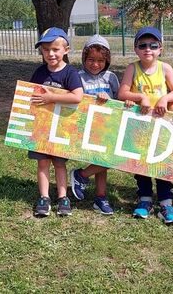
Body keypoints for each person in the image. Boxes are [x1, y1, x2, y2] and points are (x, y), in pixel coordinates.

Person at [118, 26, 173, 225]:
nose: (148, 49)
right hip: (140, 124)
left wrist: (164, 99)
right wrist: (140, 97)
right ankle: (144, 199)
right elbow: (122, 93)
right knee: (142, 163)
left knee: (162, 163)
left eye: (153, 45)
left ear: (160, 48)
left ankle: (166, 203)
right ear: (136, 49)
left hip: (162, 125)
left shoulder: (165, 68)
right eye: (143, 45)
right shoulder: (132, 68)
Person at [29, 27, 83, 217]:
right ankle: (44, 197)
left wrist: (52, 98)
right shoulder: (39, 72)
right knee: (42, 163)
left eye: (55, 49)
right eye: (45, 50)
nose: (50, 54)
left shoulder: (70, 73)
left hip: (62, 128)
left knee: (60, 164)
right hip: (42, 128)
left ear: (66, 50)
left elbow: (78, 97)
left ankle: (63, 197)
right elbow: (32, 95)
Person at [69, 35, 120, 215]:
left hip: (108, 126)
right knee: (104, 160)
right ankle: (99, 195)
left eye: (100, 60)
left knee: (108, 159)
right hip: (88, 126)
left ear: (107, 60)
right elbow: (75, 99)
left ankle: (85, 180)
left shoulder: (111, 77)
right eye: (91, 59)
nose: (95, 64)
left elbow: (119, 101)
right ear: (84, 58)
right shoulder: (78, 76)